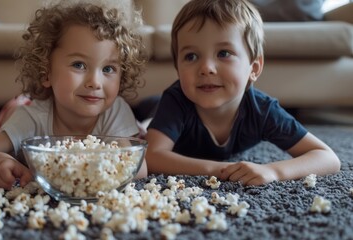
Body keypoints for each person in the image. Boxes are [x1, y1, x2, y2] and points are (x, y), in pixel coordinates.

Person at [0, 0, 148, 194]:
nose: (95, 82)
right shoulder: (31, 118)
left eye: (108, 69)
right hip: (21, 106)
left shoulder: (116, 110)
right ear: (46, 72)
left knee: (140, 132)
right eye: (79, 65)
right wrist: (2, 160)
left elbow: (138, 169)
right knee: (16, 107)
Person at [145, 0, 341, 186]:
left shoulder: (262, 109)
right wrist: (220, 169)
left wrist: (273, 171)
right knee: (144, 117)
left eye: (223, 53)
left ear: (254, 68)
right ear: (177, 68)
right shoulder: (176, 100)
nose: (206, 68)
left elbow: (327, 158)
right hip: (153, 108)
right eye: (191, 56)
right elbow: (152, 156)